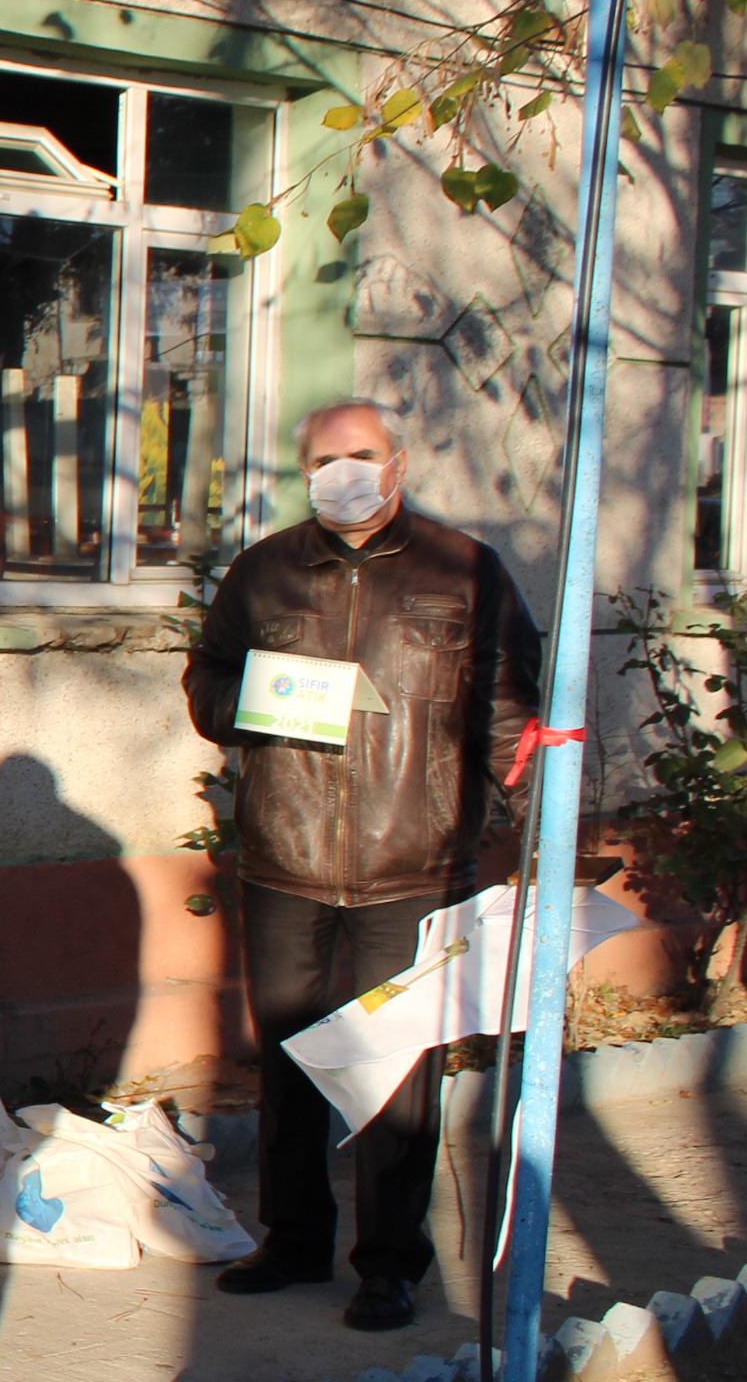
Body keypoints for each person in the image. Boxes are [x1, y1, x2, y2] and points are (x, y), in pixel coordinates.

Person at [184, 399, 543, 1333]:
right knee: (291, 1061)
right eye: (323, 458)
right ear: (303, 472)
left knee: (394, 1074)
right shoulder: (265, 571)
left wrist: (533, 831)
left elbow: (509, 711)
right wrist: (266, 699)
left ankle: (390, 1263)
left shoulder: (464, 572)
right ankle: (294, 1240)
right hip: (286, 855)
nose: (343, 472)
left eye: (362, 455)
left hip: (412, 861)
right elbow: (208, 685)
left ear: (399, 461)